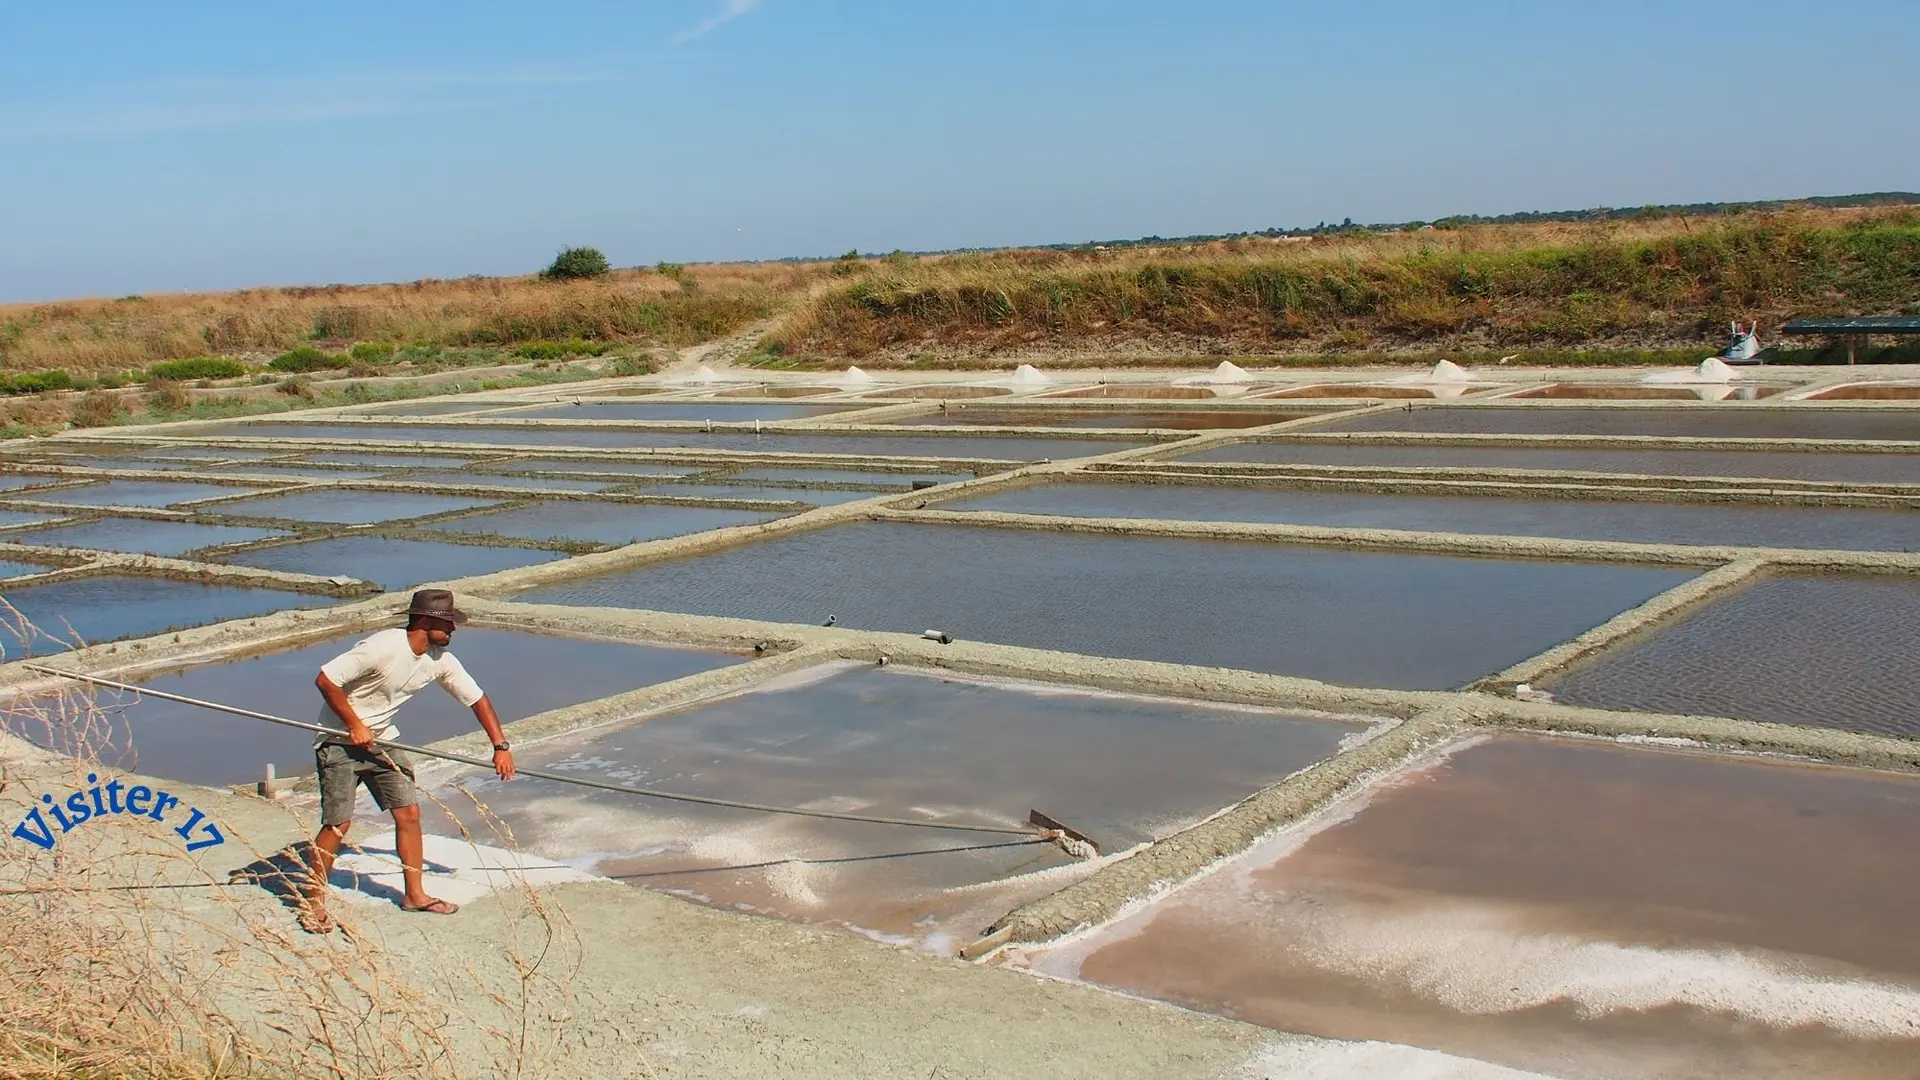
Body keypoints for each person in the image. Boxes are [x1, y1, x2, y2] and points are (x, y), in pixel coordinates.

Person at [298, 589, 515, 934]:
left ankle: (414, 894)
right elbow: (326, 679)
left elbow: (477, 699)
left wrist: (500, 745)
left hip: (383, 740)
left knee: (409, 813)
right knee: (338, 824)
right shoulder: (383, 646)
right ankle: (312, 902)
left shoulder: (439, 659)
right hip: (338, 742)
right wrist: (354, 724)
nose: (453, 632)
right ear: (426, 621)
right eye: (448, 625)